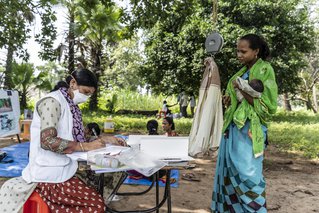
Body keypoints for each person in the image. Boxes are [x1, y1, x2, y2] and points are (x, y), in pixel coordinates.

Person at [0, 69, 125, 213]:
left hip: (67, 166)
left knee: (106, 177)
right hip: (50, 175)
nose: (87, 97)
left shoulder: (72, 106)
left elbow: (77, 139)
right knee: (96, 206)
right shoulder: (51, 102)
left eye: (90, 94)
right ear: (73, 83)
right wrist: (85, 146)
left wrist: (104, 140)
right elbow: (47, 140)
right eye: (85, 92)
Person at [211, 34, 278, 213]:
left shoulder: (265, 70)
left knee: (249, 174)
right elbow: (235, 100)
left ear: (256, 51)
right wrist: (229, 99)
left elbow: (267, 107)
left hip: (249, 131)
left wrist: (241, 89)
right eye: (237, 51)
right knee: (231, 172)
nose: (239, 55)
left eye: (243, 51)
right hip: (233, 130)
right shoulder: (240, 73)